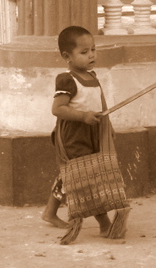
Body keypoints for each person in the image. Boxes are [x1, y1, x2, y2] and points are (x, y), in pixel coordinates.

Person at [41, 25, 113, 236]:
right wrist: (83, 116)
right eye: (84, 52)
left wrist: (108, 129)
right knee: (86, 178)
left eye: (93, 49)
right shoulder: (66, 80)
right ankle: (105, 224)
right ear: (67, 56)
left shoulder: (92, 76)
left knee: (71, 174)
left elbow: (101, 105)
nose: (91, 55)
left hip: (93, 132)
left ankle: (49, 212)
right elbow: (58, 109)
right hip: (73, 135)